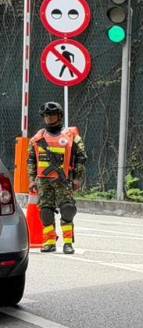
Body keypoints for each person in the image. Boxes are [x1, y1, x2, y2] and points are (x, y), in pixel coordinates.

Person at [27, 101, 87, 254]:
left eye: (52, 115)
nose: (49, 118)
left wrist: (77, 178)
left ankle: (68, 243)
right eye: (46, 116)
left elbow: (81, 158)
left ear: (59, 116)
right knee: (45, 211)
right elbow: (31, 160)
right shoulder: (37, 138)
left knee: (67, 209)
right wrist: (32, 180)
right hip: (43, 181)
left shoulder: (71, 136)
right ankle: (49, 241)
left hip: (63, 180)